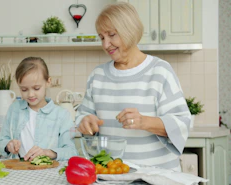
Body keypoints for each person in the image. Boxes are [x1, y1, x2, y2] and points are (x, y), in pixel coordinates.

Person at [75, 2, 191, 171]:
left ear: (129, 30)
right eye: (102, 37)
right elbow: (82, 116)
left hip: (157, 176)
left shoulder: (160, 71)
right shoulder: (97, 76)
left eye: (112, 35)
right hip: (112, 176)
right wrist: (85, 122)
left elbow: (181, 123)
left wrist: (144, 121)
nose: (106, 45)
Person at [0, 57, 77, 161]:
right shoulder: (14, 109)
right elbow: (2, 140)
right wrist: (8, 146)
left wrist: (47, 152)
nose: (30, 94)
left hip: (48, 172)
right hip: (18, 170)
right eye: (24, 89)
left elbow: (71, 151)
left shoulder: (62, 115)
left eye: (36, 88)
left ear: (48, 82)